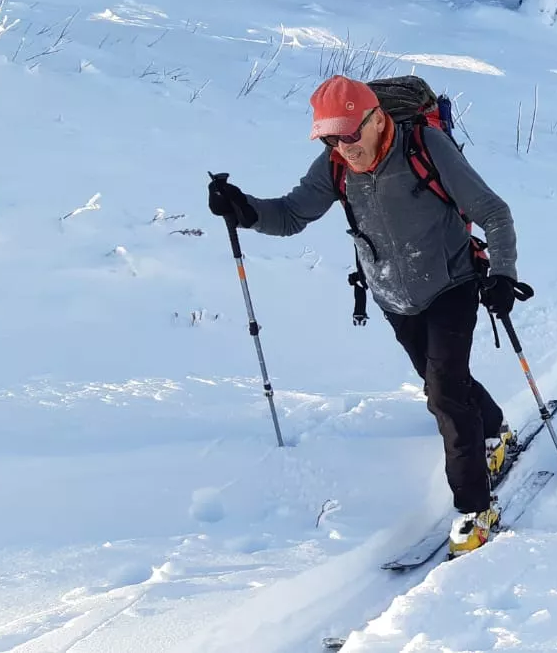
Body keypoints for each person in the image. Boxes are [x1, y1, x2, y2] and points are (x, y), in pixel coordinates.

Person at [206, 74, 523, 556]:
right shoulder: (334, 165)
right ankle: (495, 431)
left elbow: (494, 211)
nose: (343, 148)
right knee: (443, 380)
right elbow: (292, 214)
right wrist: (244, 210)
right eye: (331, 138)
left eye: (350, 134)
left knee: (443, 395)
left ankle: (476, 508)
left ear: (377, 119)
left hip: (452, 283)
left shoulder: (425, 145)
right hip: (393, 294)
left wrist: (501, 273)